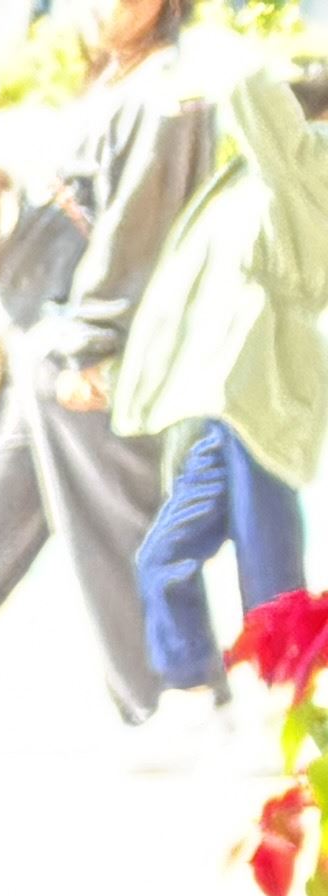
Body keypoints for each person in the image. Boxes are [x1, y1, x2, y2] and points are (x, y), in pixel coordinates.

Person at [0, 0, 218, 726]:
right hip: (43, 336)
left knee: (122, 531)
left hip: (89, 351)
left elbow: (138, 240)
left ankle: (180, 696)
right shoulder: (116, 79)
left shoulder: (169, 93)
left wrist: (92, 347)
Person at [120, 54, 328, 700]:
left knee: (269, 573)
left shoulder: (311, 164)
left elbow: (251, 90)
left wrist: (213, 66)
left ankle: (288, 706)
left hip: (264, 388)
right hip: (225, 396)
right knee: (164, 558)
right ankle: (195, 693)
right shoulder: (256, 177)